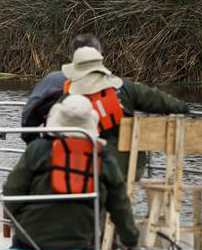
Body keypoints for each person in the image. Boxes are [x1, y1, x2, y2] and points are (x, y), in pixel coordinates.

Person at [4, 95, 139, 250]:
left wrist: (20, 222)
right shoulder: (103, 156)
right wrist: (130, 239)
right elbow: (119, 204)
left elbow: (12, 190)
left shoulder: (38, 149)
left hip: (31, 238)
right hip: (81, 238)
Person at [61, 46, 189, 179]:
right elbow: (159, 100)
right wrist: (183, 107)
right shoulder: (125, 88)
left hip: (95, 169)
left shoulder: (68, 99)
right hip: (134, 168)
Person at [21, 34, 102, 143]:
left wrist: (37, 146)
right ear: (99, 52)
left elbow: (28, 120)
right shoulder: (116, 85)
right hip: (100, 148)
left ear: (73, 53)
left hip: (57, 149)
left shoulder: (53, 81)